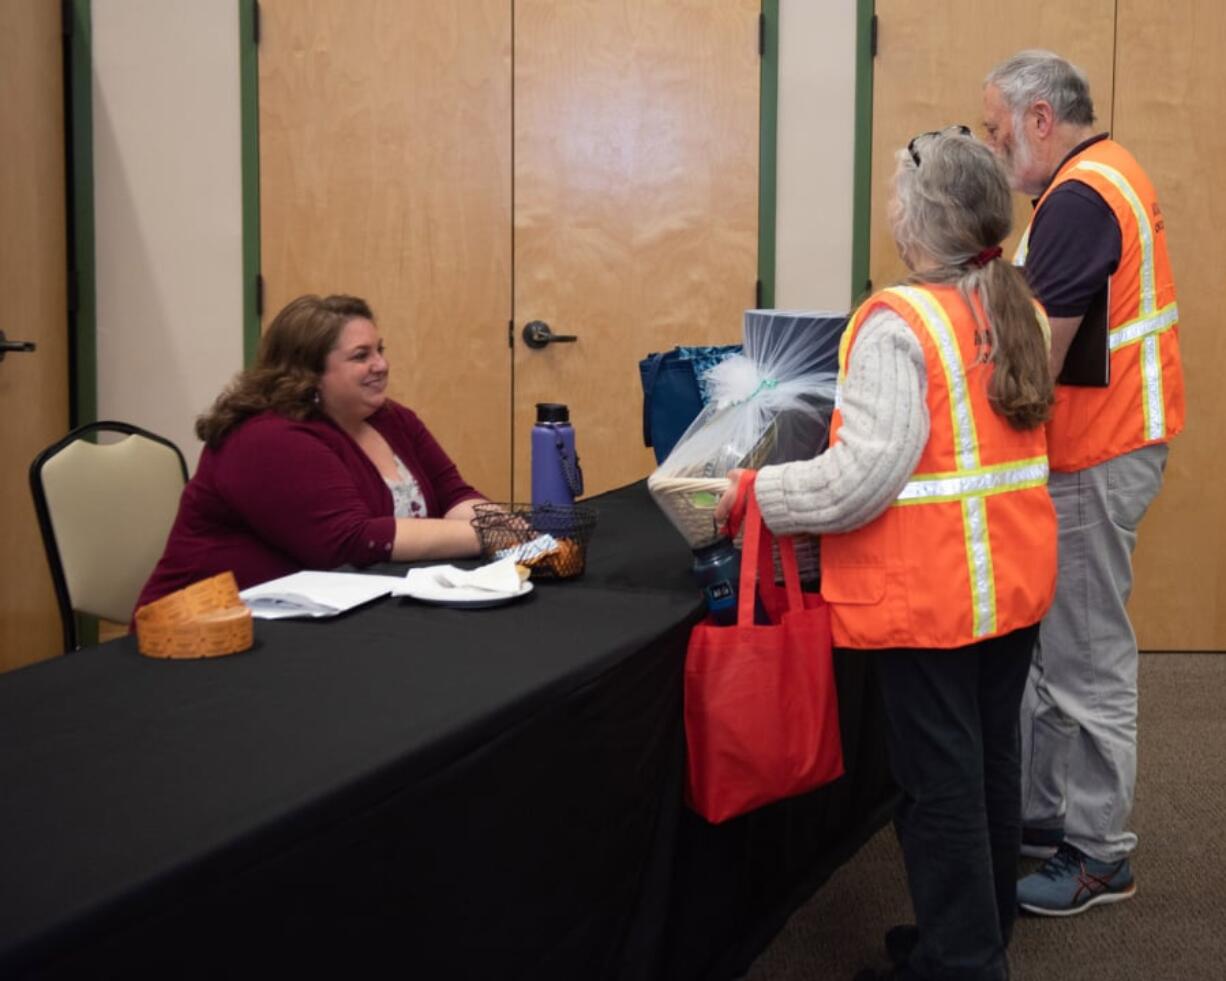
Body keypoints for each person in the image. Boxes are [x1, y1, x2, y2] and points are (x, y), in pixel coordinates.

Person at [716, 129, 1057, 981]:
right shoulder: (1016, 303)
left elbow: (860, 479)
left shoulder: (898, 322)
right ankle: (979, 935)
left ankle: (961, 963)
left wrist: (761, 494)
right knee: (985, 769)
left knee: (938, 788)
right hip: (1007, 587)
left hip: (931, 599)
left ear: (916, 222)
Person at [982, 50, 1184, 916]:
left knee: (1087, 659)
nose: (994, 150)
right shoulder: (1101, 175)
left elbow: (1033, 363)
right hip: (1102, 446)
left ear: (1038, 119)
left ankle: (1100, 852)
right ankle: (1049, 813)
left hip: (1097, 454)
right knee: (1059, 652)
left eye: (997, 132)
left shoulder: (1078, 198)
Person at [136, 294, 487, 609]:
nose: (381, 365)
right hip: (206, 631)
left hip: (328, 618)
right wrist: (490, 535)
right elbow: (353, 540)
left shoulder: (392, 418)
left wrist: (508, 529)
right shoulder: (269, 438)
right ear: (309, 372)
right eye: (361, 356)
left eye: (380, 350)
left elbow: (452, 493)